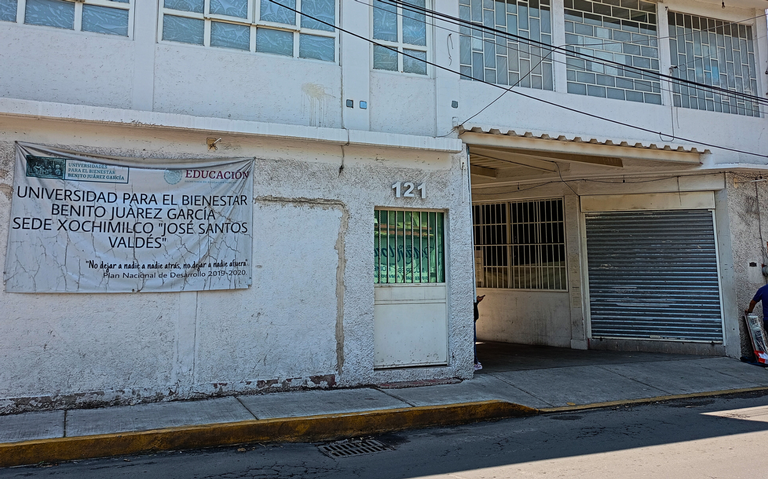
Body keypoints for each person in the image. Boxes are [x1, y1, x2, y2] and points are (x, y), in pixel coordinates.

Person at [474, 295, 485, 371]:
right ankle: (474, 362)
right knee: (472, 341)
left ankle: (475, 361)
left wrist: (477, 301)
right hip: (471, 319)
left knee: (473, 340)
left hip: (473, 319)